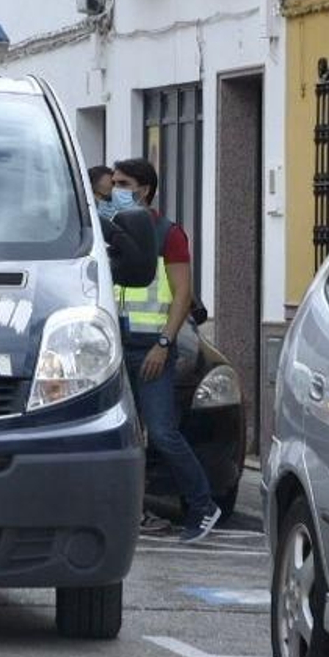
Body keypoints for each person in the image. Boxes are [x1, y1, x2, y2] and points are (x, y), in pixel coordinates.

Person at [110, 157, 221, 543]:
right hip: (116, 347)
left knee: (161, 433)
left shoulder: (166, 234)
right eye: (114, 184)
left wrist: (164, 343)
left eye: (124, 184)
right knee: (124, 434)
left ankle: (203, 505)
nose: (115, 191)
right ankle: (130, 513)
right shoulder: (109, 230)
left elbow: (182, 294)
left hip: (151, 347)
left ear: (145, 190)